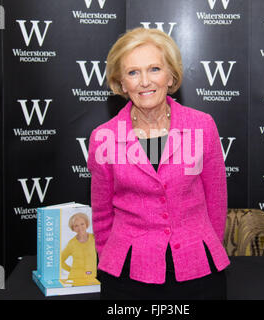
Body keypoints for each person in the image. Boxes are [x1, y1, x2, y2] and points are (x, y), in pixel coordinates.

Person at [87, 27, 229, 300]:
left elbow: (217, 201)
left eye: (154, 69)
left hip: (197, 268)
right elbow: (102, 212)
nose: (144, 81)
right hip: (127, 274)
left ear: (171, 76)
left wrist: (206, 248)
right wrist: (109, 258)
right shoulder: (104, 137)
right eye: (132, 72)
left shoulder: (202, 126)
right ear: (121, 83)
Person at [60, 213, 100, 286]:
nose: (80, 227)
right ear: (73, 228)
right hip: (76, 279)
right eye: (76, 226)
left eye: (82, 224)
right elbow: (60, 260)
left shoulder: (94, 238)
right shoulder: (71, 243)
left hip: (92, 278)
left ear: (86, 224)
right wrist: (71, 270)